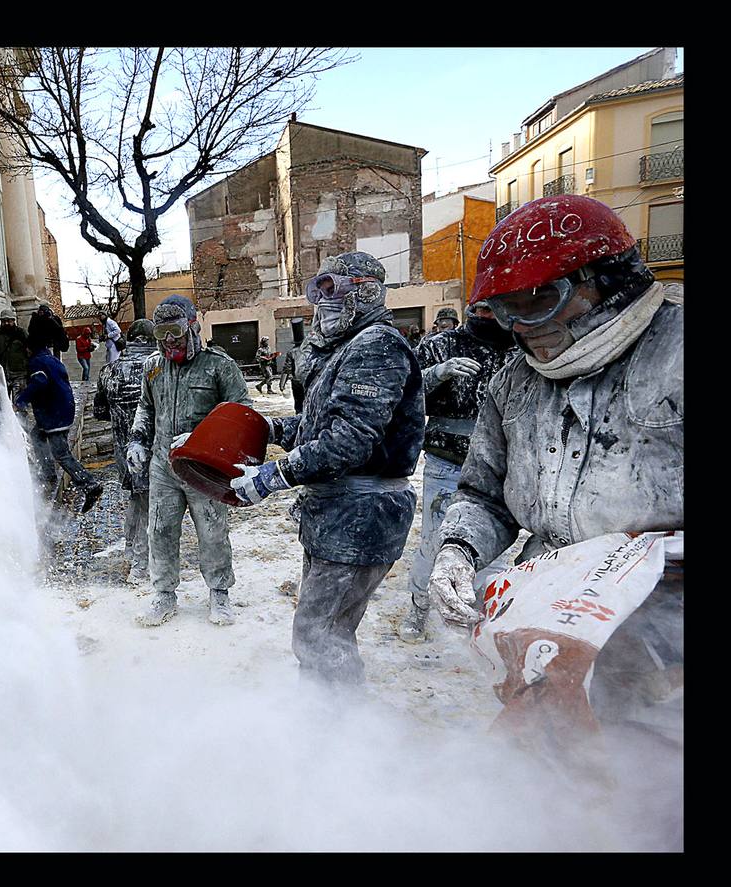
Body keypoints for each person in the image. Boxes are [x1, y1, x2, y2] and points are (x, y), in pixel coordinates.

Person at [428, 195, 682, 747]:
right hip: (550, 616)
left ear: (606, 281)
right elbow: (483, 493)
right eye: (506, 309)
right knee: (556, 772)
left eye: (541, 299)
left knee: (652, 789)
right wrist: (459, 549)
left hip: (669, 632)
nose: (523, 326)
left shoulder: (680, 353)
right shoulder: (513, 383)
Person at [229, 252, 424, 685]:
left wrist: (273, 476)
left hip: (362, 510)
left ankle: (336, 731)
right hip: (337, 510)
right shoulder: (345, 349)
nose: (323, 304)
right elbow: (319, 425)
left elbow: (349, 440)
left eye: (333, 290)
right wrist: (266, 428)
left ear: (366, 289)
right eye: (319, 293)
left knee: (320, 634)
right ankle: (326, 723)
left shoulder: (376, 345)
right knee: (324, 630)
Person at [397, 299, 517, 643]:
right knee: (436, 540)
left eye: (497, 310)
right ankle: (419, 606)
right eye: (483, 310)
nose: (489, 318)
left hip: (502, 465)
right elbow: (400, 392)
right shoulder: (440, 345)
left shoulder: (519, 345)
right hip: (448, 463)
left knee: (491, 547)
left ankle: (479, 614)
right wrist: (437, 373)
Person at [126, 294, 250, 627]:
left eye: (175, 332)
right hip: (163, 466)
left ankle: (219, 592)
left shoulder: (218, 366)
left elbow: (241, 414)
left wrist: (202, 438)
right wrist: (137, 440)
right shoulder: (152, 367)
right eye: (161, 333)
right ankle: (164, 594)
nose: (168, 341)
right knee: (160, 530)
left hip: (204, 467)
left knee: (212, 531)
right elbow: (145, 408)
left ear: (193, 327)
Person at [93, 319, 156, 583]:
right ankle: (140, 567)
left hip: (122, 451)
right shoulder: (156, 368)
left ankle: (130, 551)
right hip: (150, 449)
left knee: (136, 498)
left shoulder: (108, 371)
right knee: (150, 505)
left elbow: (99, 412)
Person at [15, 344, 104, 513]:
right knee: (37, 436)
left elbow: (40, 382)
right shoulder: (52, 359)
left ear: (29, 349)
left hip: (54, 413)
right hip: (61, 409)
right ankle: (48, 475)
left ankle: (90, 484)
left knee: (61, 454)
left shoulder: (37, 362)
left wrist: (20, 400)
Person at [0, 308, 32, 402]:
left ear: (13, 321)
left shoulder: (21, 333)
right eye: (3, 321)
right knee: (2, 403)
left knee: (19, 403)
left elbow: (30, 350)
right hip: (2, 375)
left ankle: (21, 417)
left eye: (8, 321)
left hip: (19, 373)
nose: (6, 323)